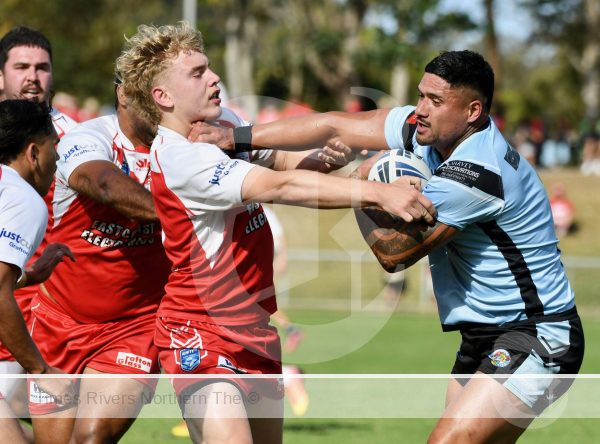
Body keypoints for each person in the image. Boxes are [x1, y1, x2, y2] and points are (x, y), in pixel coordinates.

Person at [193, 50, 584, 444]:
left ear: (472, 111)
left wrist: (368, 187)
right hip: (483, 336)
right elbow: (334, 125)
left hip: (538, 335)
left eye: (436, 101)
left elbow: (394, 254)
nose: (421, 110)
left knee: (448, 440)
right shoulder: (426, 130)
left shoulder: (479, 174)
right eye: (421, 96)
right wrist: (235, 138)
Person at [115, 22, 435, 444]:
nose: (214, 79)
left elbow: (283, 167)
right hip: (199, 329)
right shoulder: (180, 158)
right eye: (198, 73)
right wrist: (378, 194)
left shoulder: (224, 122)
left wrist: (324, 158)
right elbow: (279, 188)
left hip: (256, 330)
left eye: (209, 68)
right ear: (163, 97)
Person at [26, 75, 171, 444]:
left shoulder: (185, 147)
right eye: (151, 92)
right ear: (122, 92)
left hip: (134, 326)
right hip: (58, 322)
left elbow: (271, 166)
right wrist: (178, 213)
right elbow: (104, 184)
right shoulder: (86, 137)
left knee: (91, 437)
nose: (161, 102)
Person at [0, 25, 78, 427]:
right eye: (22, 66)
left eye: (42, 67)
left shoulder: (73, 137)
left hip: (34, 306)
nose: (33, 76)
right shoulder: (21, 193)